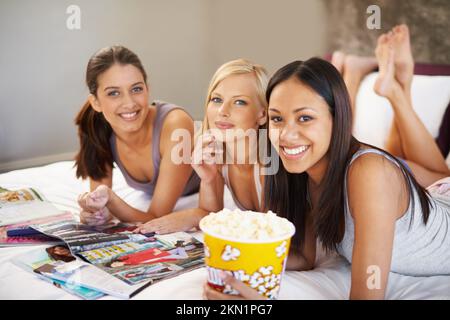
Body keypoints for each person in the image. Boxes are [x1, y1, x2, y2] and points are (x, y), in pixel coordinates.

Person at [204, 33, 450, 300]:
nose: (286, 135)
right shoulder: (296, 170)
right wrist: (238, 265)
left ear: (338, 117)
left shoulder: (369, 173)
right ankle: (396, 91)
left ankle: (398, 91)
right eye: (277, 119)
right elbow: (303, 256)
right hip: (431, 194)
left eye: (305, 118)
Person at [134, 59, 269, 235]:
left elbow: (272, 231)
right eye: (217, 99)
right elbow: (210, 212)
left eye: (239, 102)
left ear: (263, 114)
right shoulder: (218, 154)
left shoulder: (270, 164)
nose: (222, 111)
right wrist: (208, 179)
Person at [75, 46, 200, 225]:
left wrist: (111, 201)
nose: (129, 103)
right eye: (114, 93)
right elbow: (99, 201)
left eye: (136, 89)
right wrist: (95, 212)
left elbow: (157, 217)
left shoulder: (176, 125)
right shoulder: (98, 128)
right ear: (95, 102)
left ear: (147, 89)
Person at [331, 24, 449, 187]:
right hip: (382, 173)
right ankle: (399, 88)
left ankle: (399, 87)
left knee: (394, 159)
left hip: (381, 173)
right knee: (442, 179)